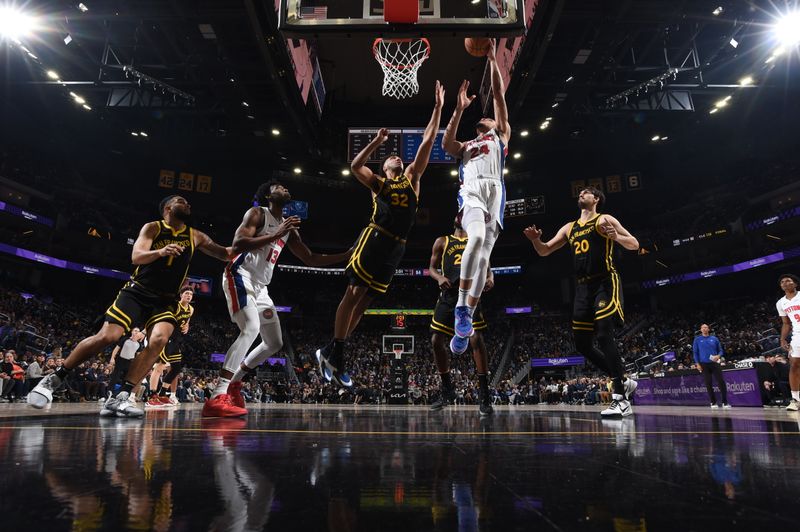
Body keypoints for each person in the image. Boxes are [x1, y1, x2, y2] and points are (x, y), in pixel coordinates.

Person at [28, 195, 232, 417]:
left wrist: (262, 240)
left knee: (159, 340)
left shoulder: (195, 236)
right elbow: (136, 256)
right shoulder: (153, 228)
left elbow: (224, 253)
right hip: (137, 291)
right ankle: (55, 377)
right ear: (168, 208)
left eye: (188, 203)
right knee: (108, 336)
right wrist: (161, 252)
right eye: (181, 201)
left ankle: (122, 397)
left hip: (165, 299)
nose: (187, 204)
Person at [316, 81, 444, 387]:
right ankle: (339, 354)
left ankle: (331, 351)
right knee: (354, 293)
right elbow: (356, 164)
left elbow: (427, 141)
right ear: (385, 166)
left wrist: (438, 108)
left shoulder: (413, 178)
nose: (398, 158)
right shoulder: (378, 183)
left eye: (399, 158)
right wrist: (376, 142)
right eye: (392, 158)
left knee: (366, 302)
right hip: (375, 239)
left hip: (396, 248)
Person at [208, 181, 351, 417]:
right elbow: (238, 244)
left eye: (286, 187)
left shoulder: (289, 228)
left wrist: (345, 256)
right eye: (279, 186)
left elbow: (310, 258)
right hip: (239, 276)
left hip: (261, 287)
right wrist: (276, 233)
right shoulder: (257, 214)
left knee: (274, 342)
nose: (285, 188)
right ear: (268, 196)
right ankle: (217, 395)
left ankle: (235, 382)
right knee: (251, 328)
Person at [524, 187, 639, 417]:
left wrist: (616, 237)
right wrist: (536, 240)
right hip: (583, 288)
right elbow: (545, 251)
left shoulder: (604, 219)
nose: (581, 195)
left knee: (605, 334)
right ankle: (623, 380)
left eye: (586, 193)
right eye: (579, 193)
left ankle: (620, 398)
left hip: (605, 282)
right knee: (582, 345)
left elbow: (634, 244)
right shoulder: (569, 227)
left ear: (596, 199)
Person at [441, 41, 510, 356]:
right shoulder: (467, 145)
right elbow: (446, 144)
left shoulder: (501, 136)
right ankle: (461, 308)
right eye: (482, 118)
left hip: (496, 190)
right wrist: (457, 109)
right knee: (476, 238)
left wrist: (494, 58)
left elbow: (497, 94)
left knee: (483, 257)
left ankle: (464, 318)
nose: (488, 117)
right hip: (471, 190)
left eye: (491, 117)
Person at [428, 215, 494, 416]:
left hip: (471, 295)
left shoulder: (477, 240)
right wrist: (439, 276)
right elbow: (431, 267)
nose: (461, 215)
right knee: (436, 340)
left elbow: (488, 268)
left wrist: (490, 278)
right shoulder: (443, 241)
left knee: (476, 339)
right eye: (459, 213)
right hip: (448, 295)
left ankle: (484, 394)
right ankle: (448, 389)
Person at [147, 287, 194, 408]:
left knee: (176, 368)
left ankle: (162, 394)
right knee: (159, 367)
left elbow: (187, 323)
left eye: (191, 294)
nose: (189, 296)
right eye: (186, 293)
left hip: (176, 340)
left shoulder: (191, 309)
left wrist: (187, 327)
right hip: (167, 338)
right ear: (181, 295)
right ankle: (151, 396)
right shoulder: (175, 306)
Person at [776, 273, 800, 411]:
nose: (785, 283)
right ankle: (796, 399)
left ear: (795, 284)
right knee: (795, 364)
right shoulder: (780, 303)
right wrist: (783, 338)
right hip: (797, 335)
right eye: (782, 282)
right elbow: (786, 323)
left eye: (788, 280)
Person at [693, 324, 730, 409]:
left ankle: (725, 402)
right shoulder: (697, 340)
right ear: (701, 329)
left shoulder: (714, 338)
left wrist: (718, 356)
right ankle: (713, 402)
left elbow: (720, 350)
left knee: (721, 382)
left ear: (708, 329)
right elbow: (695, 353)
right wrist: (697, 364)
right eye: (703, 327)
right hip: (704, 364)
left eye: (706, 327)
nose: (704, 329)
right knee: (708, 383)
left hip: (714, 363)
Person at [109, 328, 144, 392]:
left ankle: (120, 394)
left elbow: (138, 356)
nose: (137, 332)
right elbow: (116, 349)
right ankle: (108, 392)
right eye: (135, 330)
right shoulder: (125, 339)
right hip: (120, 360)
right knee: (115, 377)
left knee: (125, 379)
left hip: (130, 362)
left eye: (138, 331)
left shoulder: (139, 344)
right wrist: (112, 358)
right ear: (132, 331)